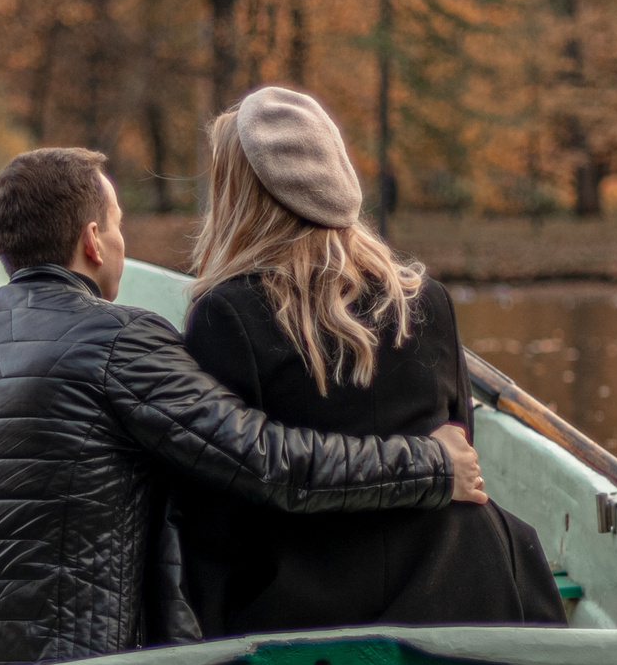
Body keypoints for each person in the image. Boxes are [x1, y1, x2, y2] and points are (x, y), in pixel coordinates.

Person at [0, 147, 484, 665]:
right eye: (121, 228)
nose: (123, 245)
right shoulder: (120, 341)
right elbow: (268, 462)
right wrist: (432, 465)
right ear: (93, 241)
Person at [174, 87, 566, 637]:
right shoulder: (426, 300)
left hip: (304, 616)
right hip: (465, 591)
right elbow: (463, 460)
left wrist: (199, 644)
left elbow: (219, 515)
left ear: (238, 196)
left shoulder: (226, 315)